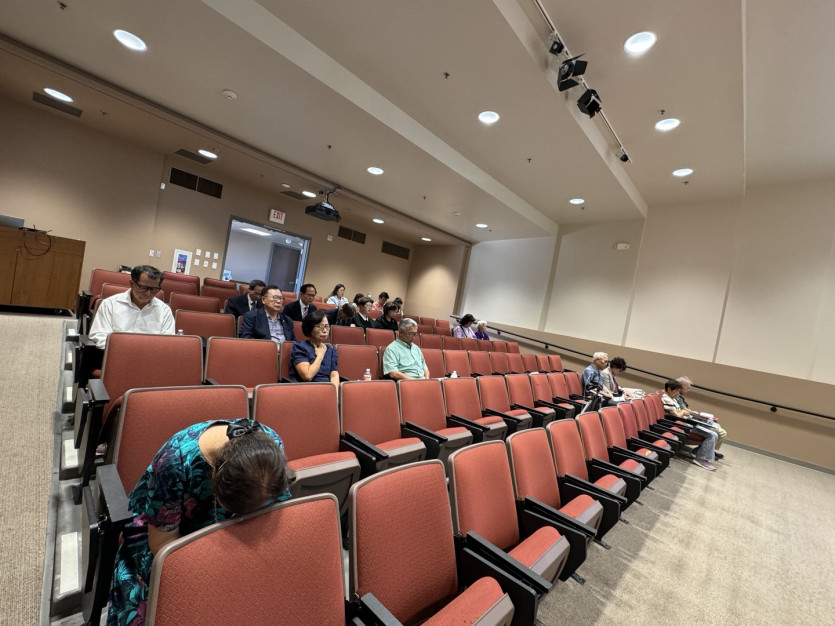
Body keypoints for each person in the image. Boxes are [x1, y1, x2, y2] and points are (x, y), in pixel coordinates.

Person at [107, 417, 292, 625]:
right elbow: (162, 544)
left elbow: (271, 512)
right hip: (171, 535)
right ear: (214, 477)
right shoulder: (174, 462)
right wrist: (210, 568)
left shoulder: (271, 448)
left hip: (235, 532)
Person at [89, 265, 175, 349]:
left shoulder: (164, 310)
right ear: (132, 284)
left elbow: (167, 342)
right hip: (117, 353)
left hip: (151, 355)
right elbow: (100, 336)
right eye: (143, 287)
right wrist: (127, 350)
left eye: (154, 289)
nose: (148, 293)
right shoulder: (110, 304)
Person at [662, 379, 718, 471]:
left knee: (713, 432)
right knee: (712, 435)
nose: (677, 393)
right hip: (681, 424)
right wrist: (683, 412)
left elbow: (679, 411)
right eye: (676, 391)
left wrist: (685, 412)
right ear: (669, 389)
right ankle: (701, 459)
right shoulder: (666, 399)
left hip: (686, 421)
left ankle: (700, 453)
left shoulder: (672, 398)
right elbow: (677, 415)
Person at [289, 310, 339, 395]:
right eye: (320, 326)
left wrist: (335, 395)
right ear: (310, 329)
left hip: (327, 390)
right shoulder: (300, 347)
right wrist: (320, 355)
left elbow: (334, 375)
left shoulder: (331, 350)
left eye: (327, 326)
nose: (325, 330)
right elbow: (307, 376)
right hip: (306, 390)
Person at [676, 376, 727, 457]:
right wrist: (691, 413)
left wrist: (692, 412)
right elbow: (681, 411)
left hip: (691, 418)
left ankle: (708, 450)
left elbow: (684, 408)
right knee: (720, 432)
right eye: (687, 388)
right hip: (688, 422)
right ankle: (706, 451)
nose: (688, 390)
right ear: (681, 386)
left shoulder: (679, 397)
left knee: (718, 427)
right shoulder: (675, 396)